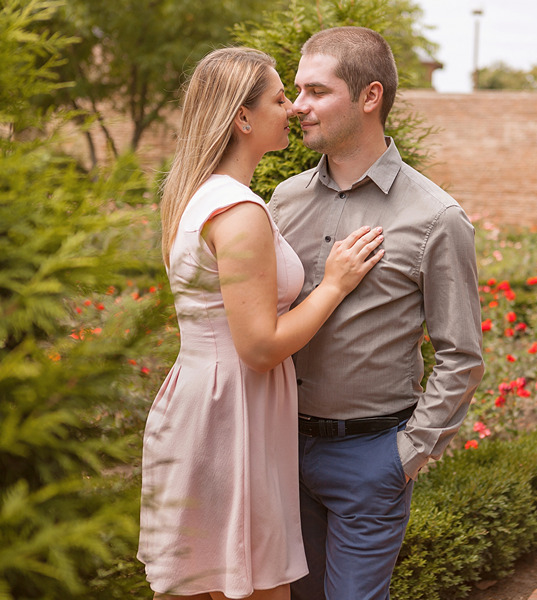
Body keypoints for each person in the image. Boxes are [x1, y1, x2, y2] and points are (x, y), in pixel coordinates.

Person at [137, 47, 385, 600]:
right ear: (242, 118)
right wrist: (335, 284)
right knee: (252, 585)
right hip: (232, 415)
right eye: (279, 98)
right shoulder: (240, 212)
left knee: (206, 583)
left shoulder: (201, 197)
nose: (293, 109)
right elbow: (259, 346)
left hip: (211, 401)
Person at [269, 27, 485, 600]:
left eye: (316, 91)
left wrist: (406, 454)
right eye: (296, 91)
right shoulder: (282, 203)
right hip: (281, 447)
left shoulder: (437, 217)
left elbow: (462, 355)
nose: (298, 107)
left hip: (372, 458)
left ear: (369, 97)